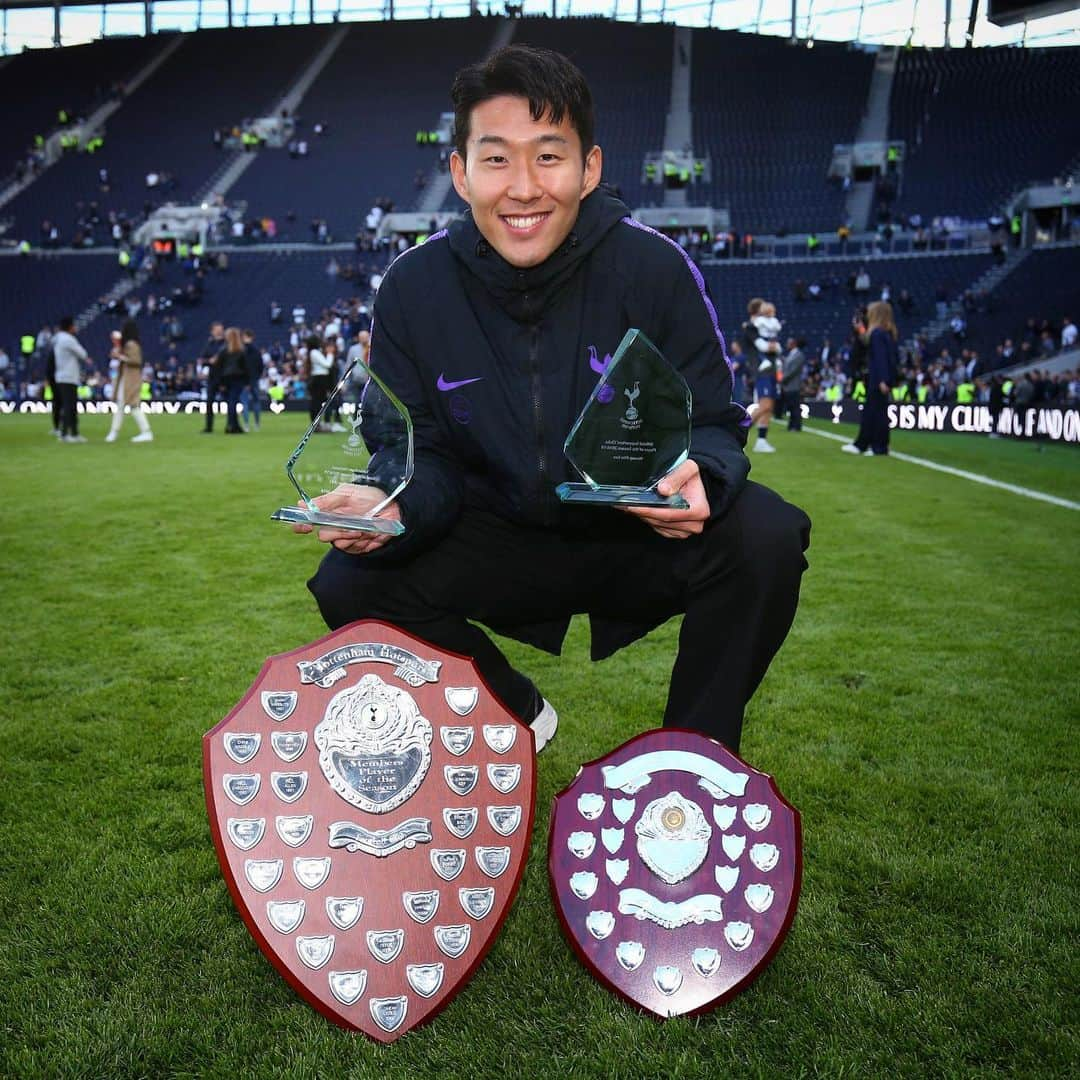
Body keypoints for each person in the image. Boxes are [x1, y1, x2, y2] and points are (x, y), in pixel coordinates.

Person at [295, 46, 810, 753]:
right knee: (347, 582)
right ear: (460, 172)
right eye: (497, 158)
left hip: (627, 530)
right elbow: (419, 456)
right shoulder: (413, 289)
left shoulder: (655, 269)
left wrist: (703, 476)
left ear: (589, 168)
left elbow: (714, 425)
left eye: (549, 156)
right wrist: (391, 503)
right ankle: (511, 709)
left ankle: (694, 763)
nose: (525, 187)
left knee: (765, 534)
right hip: (493, 533)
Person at [843, 301, 898, 457]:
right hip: (881, 377)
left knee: (876, 413)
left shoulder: (877, 334)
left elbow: (880, 358)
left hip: (877, 378)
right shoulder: (887, 332)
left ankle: (878, 446)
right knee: (875, 411)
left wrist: (882, 379)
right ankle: (870, 444)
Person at [105, 321, 153, 443]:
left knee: (127, 405)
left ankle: (115, 432)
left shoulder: (131, 345)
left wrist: (120, 357)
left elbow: (136, 361)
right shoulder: (131, 344)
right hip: (128, 378)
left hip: (130, 379)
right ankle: (144, 431)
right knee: (129, 406)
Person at [742, 298, 780, 452]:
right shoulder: (751, 327)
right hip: (761, 370)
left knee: (769, 406)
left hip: (770, 370)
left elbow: (776, 347)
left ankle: (761, 441)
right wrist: (773, 347)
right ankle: (737, 435)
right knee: (764, 405)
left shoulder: (763, 327)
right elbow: (765, 347)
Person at [53, 316, 89, 443]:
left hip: (61, 376)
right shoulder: (68, 339)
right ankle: (65, 434)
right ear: (70, 327)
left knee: (70, 406)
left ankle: (74, 433)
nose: (75, 328)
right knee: (70, 406)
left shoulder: (57, 338)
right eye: (73, 325)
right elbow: (83, 354)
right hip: (69, 377)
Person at [218, 327, 249, 434]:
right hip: (238, 379)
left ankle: (231, 425)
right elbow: (246, 368)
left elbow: (220, 368)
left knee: (230, 403)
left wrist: (221, 383)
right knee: (233, 402)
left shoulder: (223, 351)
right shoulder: (241, 351)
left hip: (226, 379)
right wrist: (247, 382)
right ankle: (233, 425)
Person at [201, 321, 226, 433]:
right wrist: (209, 361)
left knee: (230, 401)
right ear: (212, 331)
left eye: (220, 330)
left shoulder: (226, 344)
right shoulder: (209, 344)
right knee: (209, 403)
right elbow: (203, 359)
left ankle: (231, 425)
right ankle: (208, 427)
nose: (219, 332)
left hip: (225, 377)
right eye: (217, 330)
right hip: (212, 377)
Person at [780, 337, 805, 432]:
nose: (787, 345)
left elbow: (792, 371)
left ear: (793, 344)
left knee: (795, 407)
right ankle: (791, 425)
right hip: (788, 385)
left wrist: (783, 379)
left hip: (793, 385)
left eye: (788, 343)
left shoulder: (799, 355)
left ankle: (796, 426)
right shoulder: (792, 354)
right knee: (791, 407)